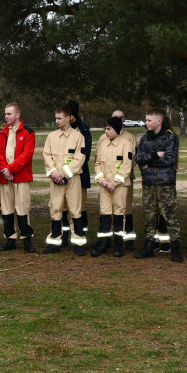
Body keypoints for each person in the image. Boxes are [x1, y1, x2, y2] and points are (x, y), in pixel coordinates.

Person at [134, 107, 183, 263]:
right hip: (149, 184)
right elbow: (139, 158)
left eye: (149, 120)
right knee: (149, 216)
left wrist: (149, 163)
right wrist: (155, 155)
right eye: (146, 120)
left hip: (165, 184)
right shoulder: (144, 139)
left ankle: (175, 248)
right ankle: (149, 246)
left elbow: (169, 159)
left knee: (169, 216)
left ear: (159, 121)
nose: (146, 123)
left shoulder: (170, 137)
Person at [42, 106, 87, 255]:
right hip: (56, 180)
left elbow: (79, 158)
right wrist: (54, 173)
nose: (57, 121)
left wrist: (64, 174)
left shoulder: (78, 137)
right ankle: (54, 243)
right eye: (56, 118)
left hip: (72, 179)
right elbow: (47, 155)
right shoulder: (51, 136)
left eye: (59, 118)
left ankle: (79, 243)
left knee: (75, 209)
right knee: (55, 208)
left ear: (68, 118)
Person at [0, 102, 36, 253]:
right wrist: (5, 169)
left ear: (17, 115)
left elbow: (26, 155)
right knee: (6, 209)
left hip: (21, 176)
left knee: (22, 207)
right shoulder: (3, 132)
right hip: (5, 177)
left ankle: (26, 239)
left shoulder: (28, 132)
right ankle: (10, 239)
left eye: (9, 114)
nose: (6, 116)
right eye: (5, 114)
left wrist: (11, 169)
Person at [91, 116, 134, 257]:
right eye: (105, 129)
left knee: (119, 214)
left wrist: (114, 182)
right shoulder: (103, 144)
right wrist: (102, 180)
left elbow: (126, 166)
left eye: (109, 129)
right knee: (105, 214)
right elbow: (98, 164)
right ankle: (103, 244)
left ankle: (118, 246)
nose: (106, 131)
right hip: (105, 187)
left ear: (116, 129)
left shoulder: (126, 144)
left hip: (119, 187)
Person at [111, 109, 139, 250]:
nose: (118, 119)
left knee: (126, 208)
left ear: (124, 119)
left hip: (125, 179)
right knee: (109, 209)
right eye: (115, 117)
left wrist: (121, 175)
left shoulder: (130, 138)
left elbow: (133, 159)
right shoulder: (104, 137)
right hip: (108, 181)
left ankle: (128, 239)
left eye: (120, 117)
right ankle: (109, 239)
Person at [65, 99, 92, 243]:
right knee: (63, 206)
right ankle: (63, 236)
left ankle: (80, 235)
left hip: (79, 175)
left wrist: (69, 170)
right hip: (62, 176)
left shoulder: (84, 130)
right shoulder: (61, 129)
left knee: (79, 207)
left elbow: (84, 155)